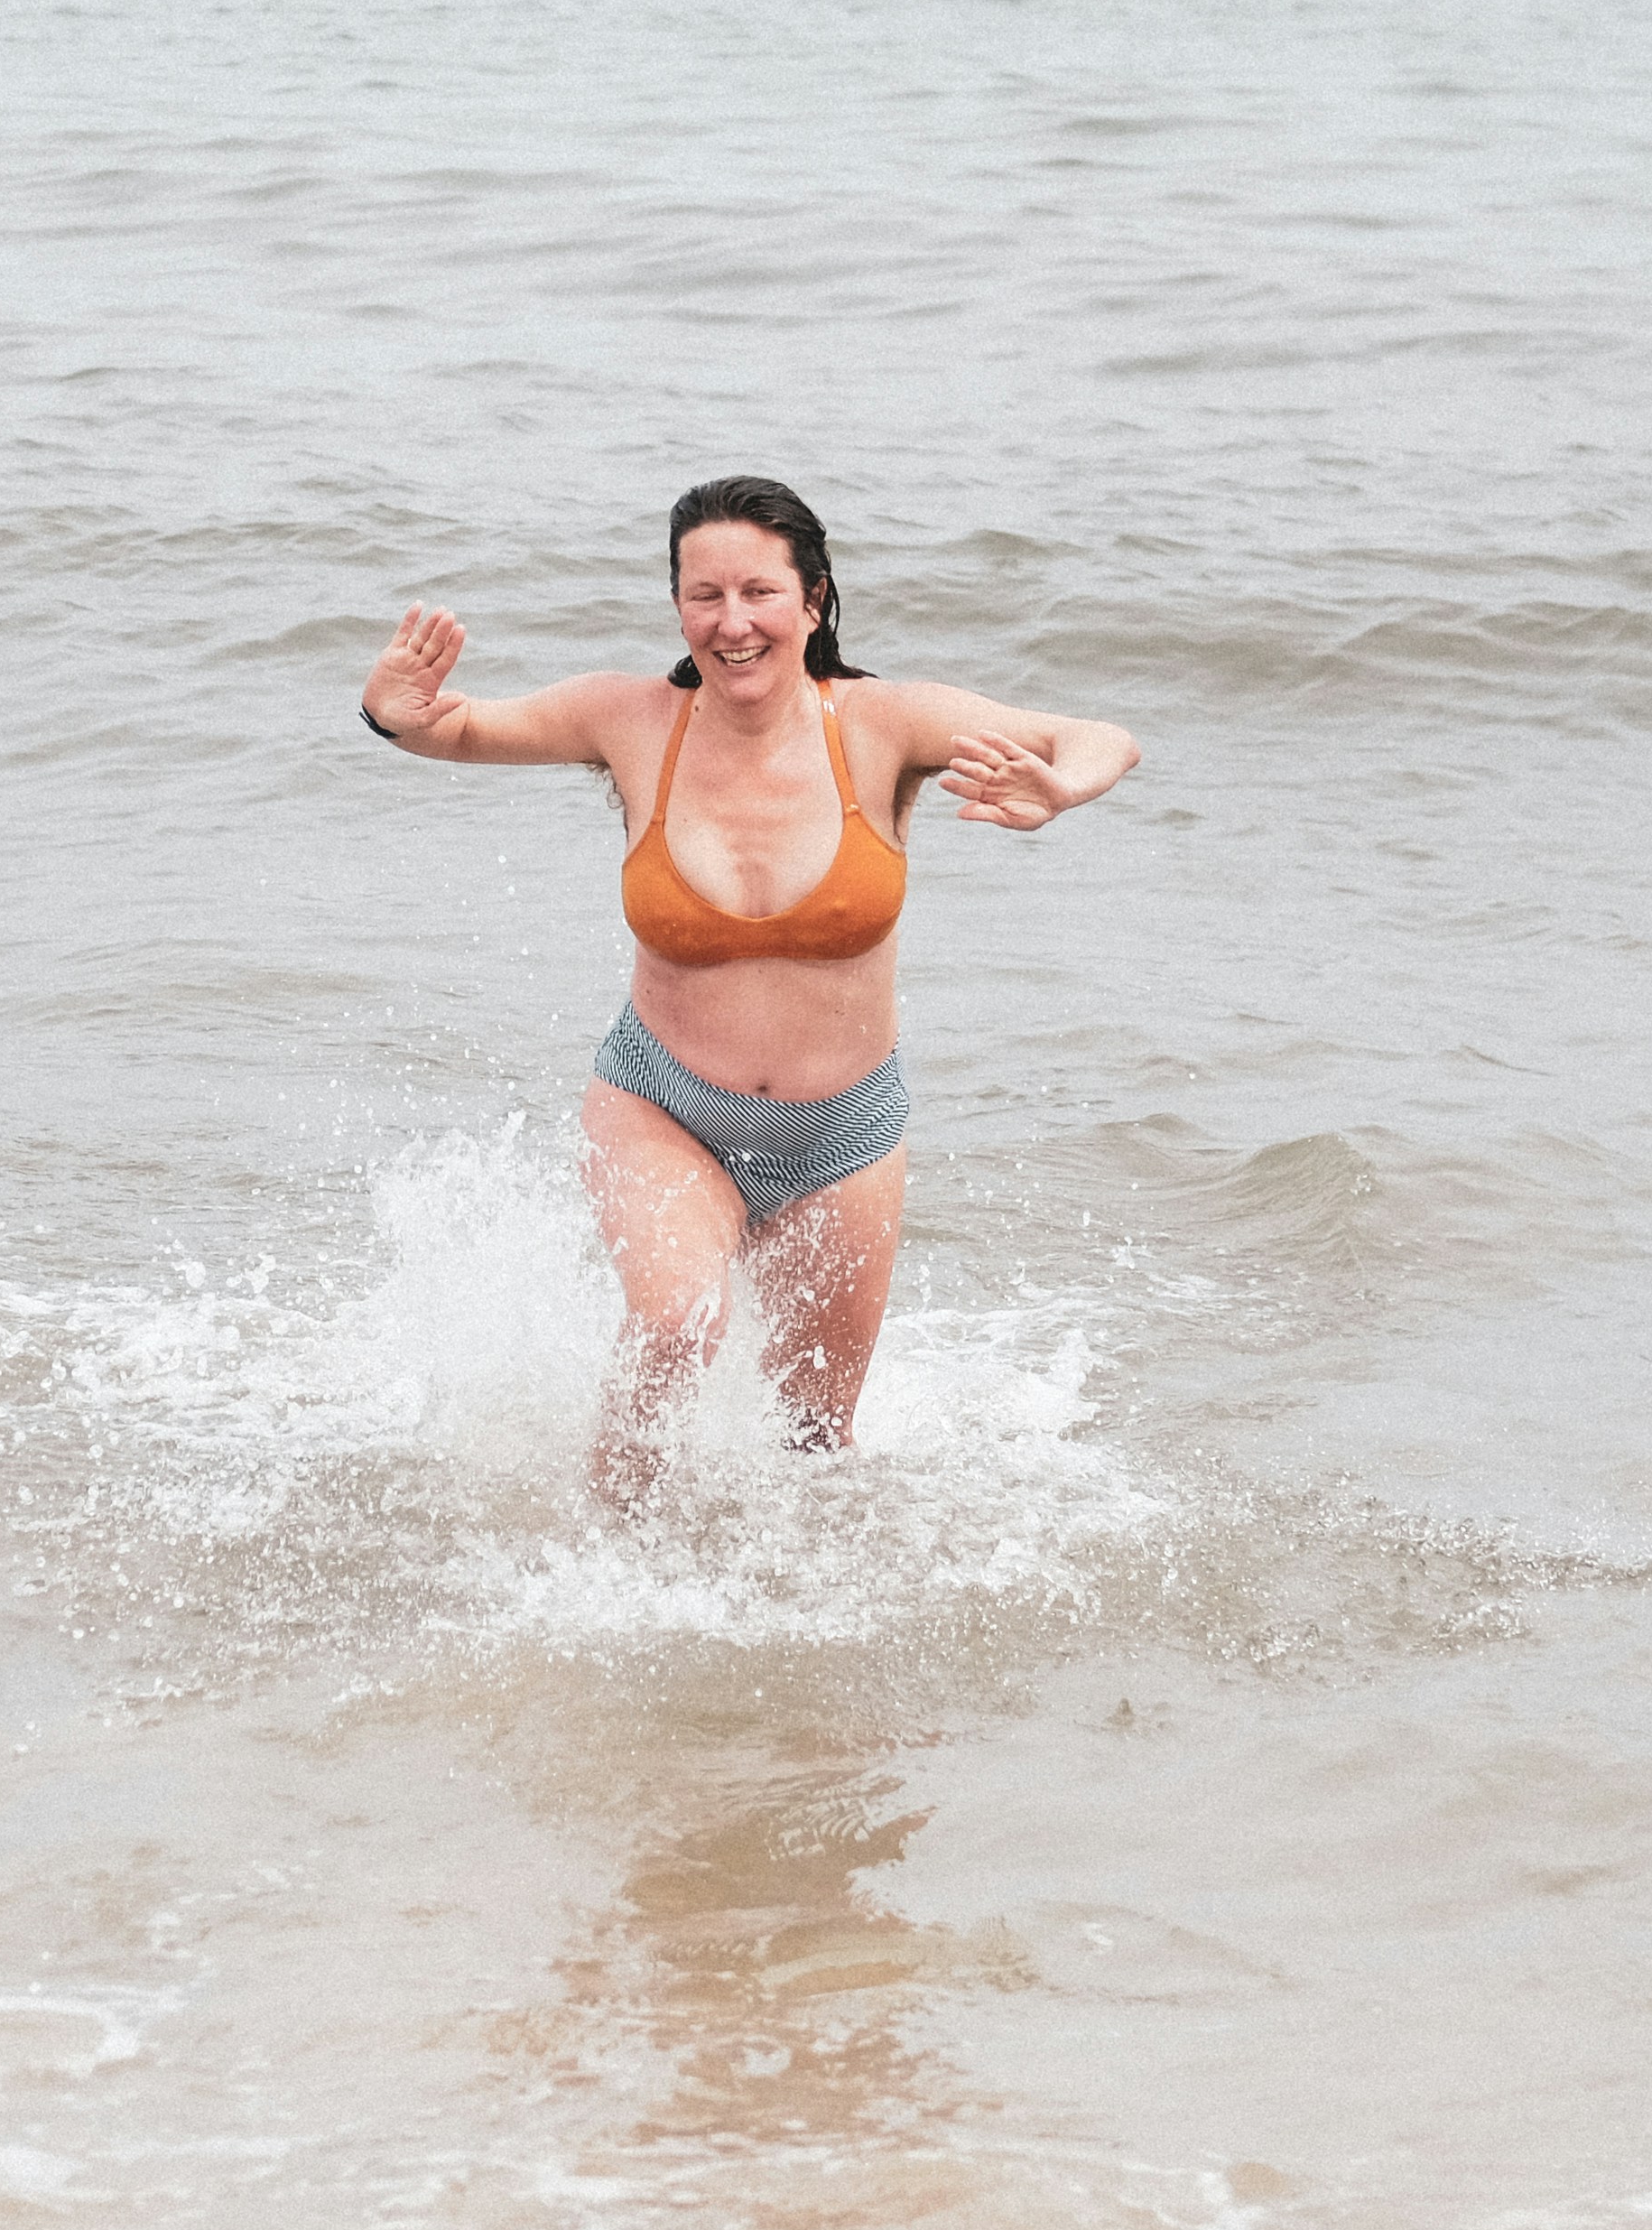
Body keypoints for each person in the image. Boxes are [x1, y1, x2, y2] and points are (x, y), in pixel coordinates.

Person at [359, 477, 1142, 1498]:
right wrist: (390, 713)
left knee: (813, 1443)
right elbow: (455, 727)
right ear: (679, 606)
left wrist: (1061, 787)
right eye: (705, 595)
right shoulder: (631, 719)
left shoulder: (883, 725)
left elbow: (1098, 736)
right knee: (680, 1321)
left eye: (761, 592)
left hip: (845, 1135)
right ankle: (609, 1567)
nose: (733, 623)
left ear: (813, 601)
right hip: (663, 1104)